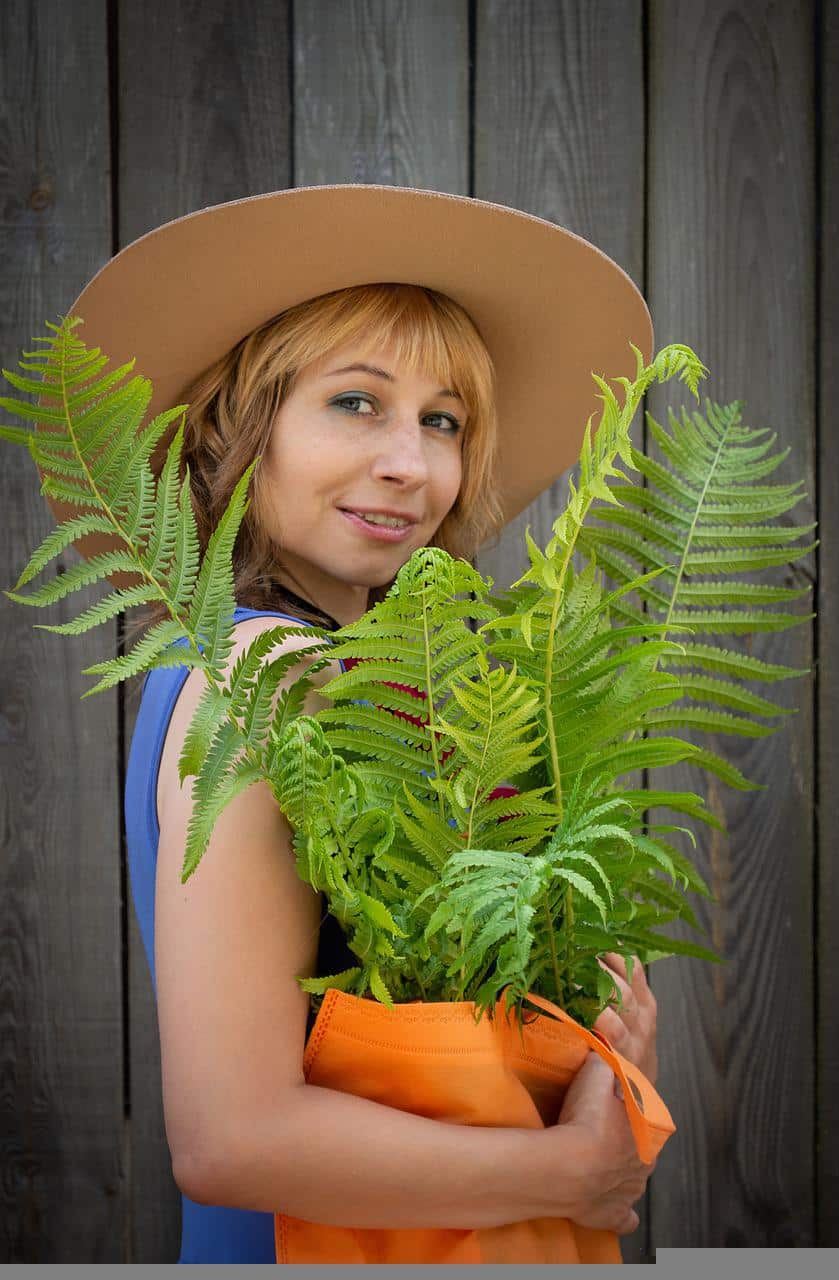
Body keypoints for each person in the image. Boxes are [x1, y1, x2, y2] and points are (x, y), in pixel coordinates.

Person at [57, 185, 660, 1263]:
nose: (411, 464)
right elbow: (231, 1134)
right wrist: (570, 1170)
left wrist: (590, 1039)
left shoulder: (372, 686)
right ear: (238, 431)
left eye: (443, 421)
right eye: (355, 402)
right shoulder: (264, 673)